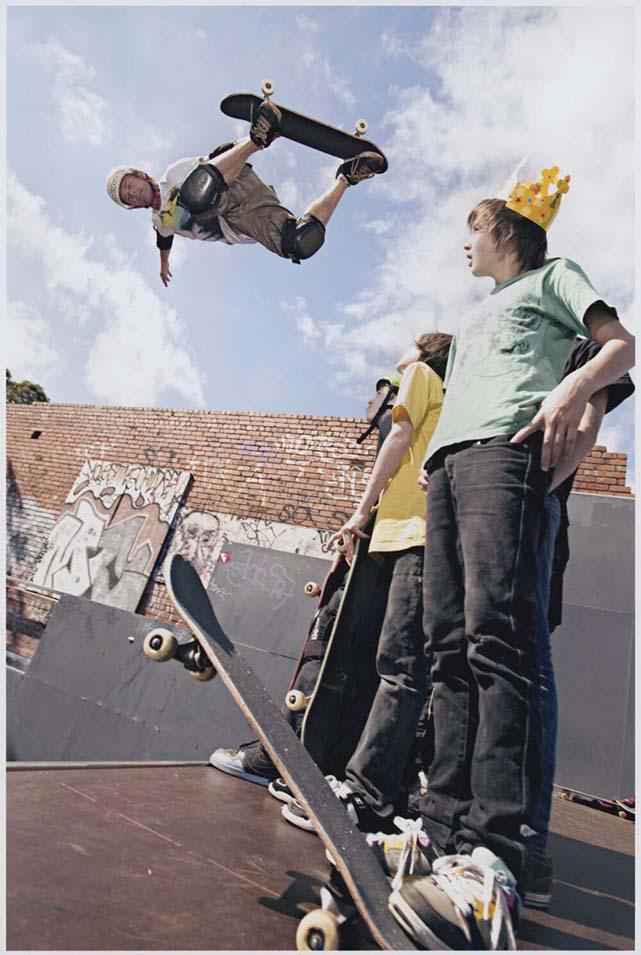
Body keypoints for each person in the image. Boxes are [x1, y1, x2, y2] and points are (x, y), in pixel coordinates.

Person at [382, 165, 635, 951]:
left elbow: (620, 347)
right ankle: (440, 826)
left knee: (498, 636)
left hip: (506, 456)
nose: (464, 243)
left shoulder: (555, 276)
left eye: (473, 229)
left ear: (506, 233)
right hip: (450, 465)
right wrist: (431, 461)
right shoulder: (475, 315)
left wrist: (569, 394)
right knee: (446, 644)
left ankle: (494, 852)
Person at [281, 332, 452, 835]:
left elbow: (397, 443)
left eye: (411, 345)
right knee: (395, 664)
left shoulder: (420, 376)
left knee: (401, 667)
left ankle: (369, 794)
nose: (400, 352)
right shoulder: (438, 393)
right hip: (406, 534)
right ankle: (378, 788)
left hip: (416, 536)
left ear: (424, 356)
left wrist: (358, 511)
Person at [523, 336, 633, 909]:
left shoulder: (575, 335)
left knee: (530, 670)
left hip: (538, 515)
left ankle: (529, 845)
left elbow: (594, 413)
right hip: (496, 510)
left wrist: (547, 485)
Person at [106, 100, 385, 284]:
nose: (133, 193)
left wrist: (256, 137)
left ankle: (257, 138)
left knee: (193, 197)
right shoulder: (160, 222)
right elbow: (163, 242)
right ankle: (347, 177)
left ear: (142, 176)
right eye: (128, 197)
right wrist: (163, 266)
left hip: (230, 181)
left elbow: (217, 160)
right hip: (241, 220)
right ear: (133, 207)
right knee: (299, 242)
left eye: (131, 186)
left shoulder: (174, 172)